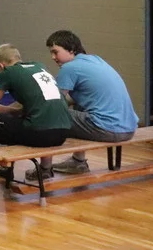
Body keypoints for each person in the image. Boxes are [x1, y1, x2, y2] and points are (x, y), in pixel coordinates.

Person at [47, 30, 137, 174]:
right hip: (129, 128)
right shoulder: (96, 59)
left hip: (109, 130)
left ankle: (43, 168)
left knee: (50, 116)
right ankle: (78, 162)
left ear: (71, 49)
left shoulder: (69, 68)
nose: (52, 57)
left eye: (55, 52)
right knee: (77, 103)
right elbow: (72, 99)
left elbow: (54, 104)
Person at [0, 44, 71, 182]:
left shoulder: (8, 72)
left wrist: (12, 110)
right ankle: (45, 168)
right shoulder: (40, 66)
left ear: (0, 65)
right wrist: (15, 112)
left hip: (40, 134)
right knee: (23, 120)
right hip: (63, 131)